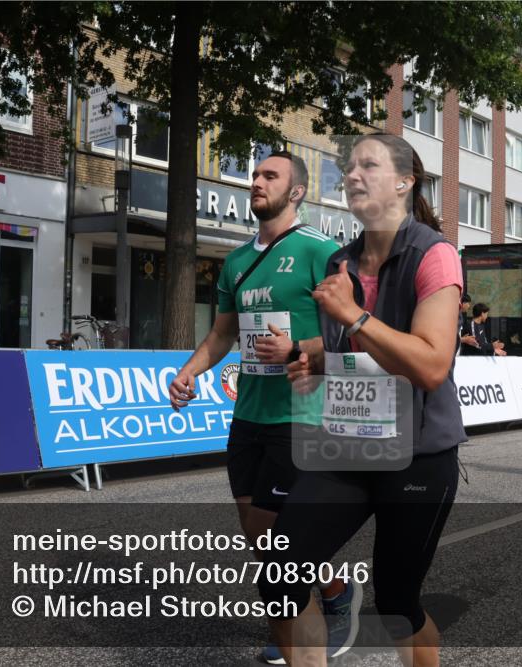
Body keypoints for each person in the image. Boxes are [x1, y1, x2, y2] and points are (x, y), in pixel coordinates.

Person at [264, 133, 465, 666]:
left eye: (368, 166)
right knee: (279, 572)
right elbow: (355, 352)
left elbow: (429, 364)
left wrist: (353, 315)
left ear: (404, 181)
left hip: (418, 457)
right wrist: (312, 356)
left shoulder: (434, 255)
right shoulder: (341, 264)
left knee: (397, 602)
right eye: (348, 168)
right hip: (349, 447)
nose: (352, 175)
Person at [167, 151, 359, 663]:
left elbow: (353, 335)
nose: (257, 182)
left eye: (270, 176)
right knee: (263, 542)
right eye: (254, 175)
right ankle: (332, 593)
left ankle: (304, 633)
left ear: (296, 192)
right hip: (248, 416)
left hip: (302, 415)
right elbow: (222, 334)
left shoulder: (323, 251)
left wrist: (299, 348)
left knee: (280, 549)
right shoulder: (235, 261)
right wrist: (190, 370)